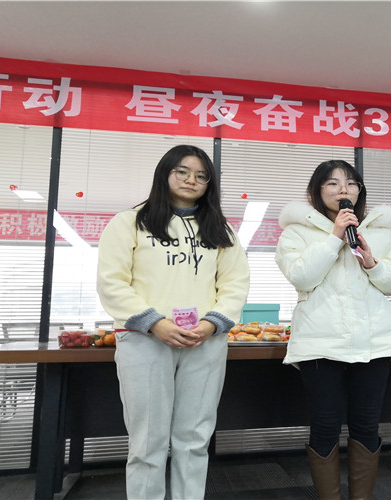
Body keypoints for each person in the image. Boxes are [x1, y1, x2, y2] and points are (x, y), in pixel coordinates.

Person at [97, 144, 250, 500]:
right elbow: (112, 282)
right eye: (182, 171)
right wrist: (155, 323)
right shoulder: (129, 222)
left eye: (201, 175)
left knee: (194, 439)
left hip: (205, 341)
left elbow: (235, 283)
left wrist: (212, 324)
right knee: (147, 440)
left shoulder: (220, 230)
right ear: (165, 173)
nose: (191, 180)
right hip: (145, 341)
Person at [275, 160, 391, 500]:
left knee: (366, 424)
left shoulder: (383, 232)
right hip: (319, 343)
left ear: (359, 191)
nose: (343, 190)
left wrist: (372, 262)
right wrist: (334, 237)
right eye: (333, 183)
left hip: (374, 342)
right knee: (325, 424)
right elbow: (302, 277)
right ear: (317, 191)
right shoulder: (296, 232)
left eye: (351, 183)